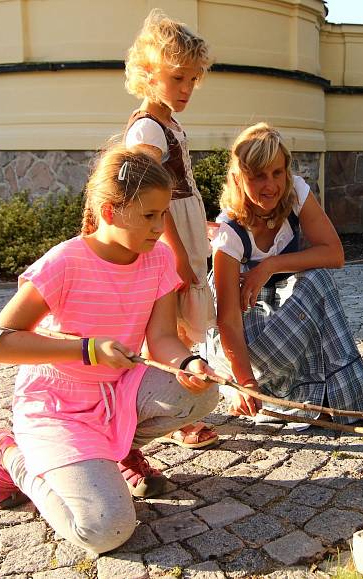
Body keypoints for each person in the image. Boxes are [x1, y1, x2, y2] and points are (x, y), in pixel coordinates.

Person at [0, 147, 221, 554]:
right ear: (110, 211)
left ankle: (119, 452)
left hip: (117, 394)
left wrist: (187, 362)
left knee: (202, 391)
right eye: (150, 215)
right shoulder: (65, 262)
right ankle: (11, 454)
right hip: (57, 408)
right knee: (106, 530)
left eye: (163, 214)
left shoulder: (158, 260)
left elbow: (163, 340)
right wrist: (86, 350)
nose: (160, 227)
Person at [207, 122, 363, 423]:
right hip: (247, 331)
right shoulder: (229, 233)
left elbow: (334, 254)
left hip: (285, 315)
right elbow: (228, 321)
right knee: (313, 285)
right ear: (239, 178)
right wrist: (246, 382)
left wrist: (270, 265)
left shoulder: (294, 192)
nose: (271, 185)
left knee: (318, 280)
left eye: (277, 173)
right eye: (258, 175)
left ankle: (336, 392)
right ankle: (293, 391)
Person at [123, 9, 219, 448]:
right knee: (174, 325)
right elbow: (149, 198)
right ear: (148, 73)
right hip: (169, 238)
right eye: (178, 78)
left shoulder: (166, 122)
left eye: (193, 80)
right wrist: (176, 254)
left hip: (183, 228)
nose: (187, 89)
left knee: (181, 324)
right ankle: (176, 413)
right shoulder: (148, 128)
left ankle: (178, 404)